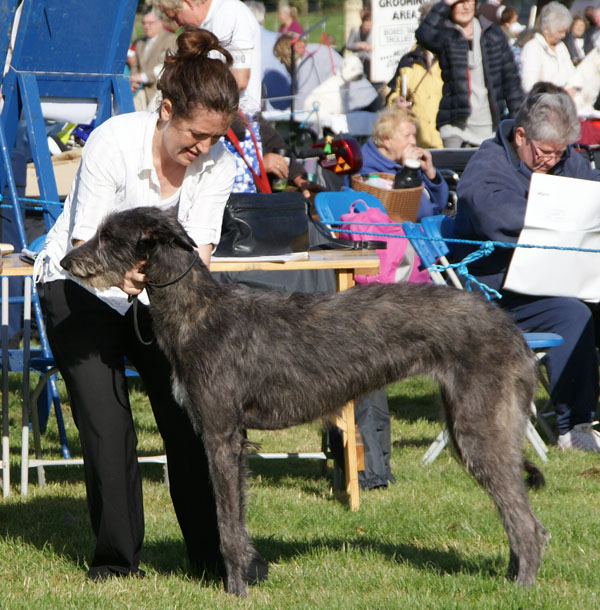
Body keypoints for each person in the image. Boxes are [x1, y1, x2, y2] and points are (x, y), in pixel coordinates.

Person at [35, 29, 268, 583]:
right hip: (79, 288)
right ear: (165, 110)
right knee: (108, 427)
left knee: (194, 420)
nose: (204, 149)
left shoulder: (219, 165)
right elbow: (82, 247)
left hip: (161, 300)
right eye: (195, 135)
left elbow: (198, 259)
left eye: (216, 138)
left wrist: (157, 287)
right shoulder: (113, 140)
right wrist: (133, 278)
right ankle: (117, 562)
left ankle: (216, 558)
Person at [452, 88, 600, 451]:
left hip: (556, 278)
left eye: (558, 154)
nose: (551, 161)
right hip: (496, 292)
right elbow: (494, 216)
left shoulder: (563, 159)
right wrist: (561, 214)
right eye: (545, 153)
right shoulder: (487, 165)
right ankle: (574, 426)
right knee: (571, 315)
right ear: (521, 136)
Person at [416, 0, 523, 148]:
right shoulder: (446, 35)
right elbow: (424, 35)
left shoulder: (493, 33)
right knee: (454, 170)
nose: (466, 7)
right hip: (455, 127)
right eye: (459, 2)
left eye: (469, 1)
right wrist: (444, 5)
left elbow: (511, 82)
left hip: (489, 128)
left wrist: (517, 121)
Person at [154, 0, 262, 118]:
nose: (176, 24)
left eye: (175, 16)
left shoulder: (230, 12)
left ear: (188, 3)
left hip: (237, 120)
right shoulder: (203, 23)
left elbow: (239, 80)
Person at [358, 106, 449, 221]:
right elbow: (409, 213)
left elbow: (441, 203)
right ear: (387, 140)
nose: (413, 141)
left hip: (429, 227)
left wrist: (430, 173)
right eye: (407, 136)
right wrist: (408, 172)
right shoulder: (368, 169)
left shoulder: (404, 160)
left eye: (414, 135)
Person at [386, 0, 443, 149]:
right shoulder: (408, 60)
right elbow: (393, 94)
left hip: (448, 141)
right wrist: (396, 102)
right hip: (415, 144)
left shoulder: (454, 57)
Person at [273, 33, 378, 114]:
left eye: (280, 57)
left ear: (286, 52)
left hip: (358, 101)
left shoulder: (306, 58)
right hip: (360, 98)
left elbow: (304, 96)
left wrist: (284, 115)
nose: (280, 61)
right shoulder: (310, 52)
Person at [519, 2, 575, 94]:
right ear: (546, 29)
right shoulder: (532, 47)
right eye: (560, 32)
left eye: (565, 31)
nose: (563, 35)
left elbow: (572, 74)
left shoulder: (561, 47)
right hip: (542, 102)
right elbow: (529, 85)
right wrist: (558, 93)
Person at [129, 7, 177, 110]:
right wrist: (133, 80)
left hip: (159, 94)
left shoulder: (171, 40)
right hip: (139, 95)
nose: (146, 26)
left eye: (150, 23)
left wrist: (142, 77)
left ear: (160, 22)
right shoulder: (139, 42)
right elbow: (135, 66)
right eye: (144, 23)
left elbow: (165, 67)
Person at [344, 9, 372, 78]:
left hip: (370, 63)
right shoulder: (355, 30)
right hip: (357, 61)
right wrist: (358, 45)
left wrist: (370, 47)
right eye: (367, 25)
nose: (368, 28)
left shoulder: (374, 32)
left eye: (370, 26)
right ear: (363, 23)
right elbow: (347, 45)